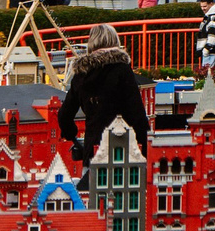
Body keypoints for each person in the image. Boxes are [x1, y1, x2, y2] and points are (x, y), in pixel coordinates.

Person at [58, 22, 150, 167]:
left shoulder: (81, 75)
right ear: (115, 42)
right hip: (124, 151)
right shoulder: (122, 70)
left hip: (93, 149)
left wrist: (72, 136)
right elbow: (136, 113)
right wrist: (145, 146)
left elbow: (64, 115)